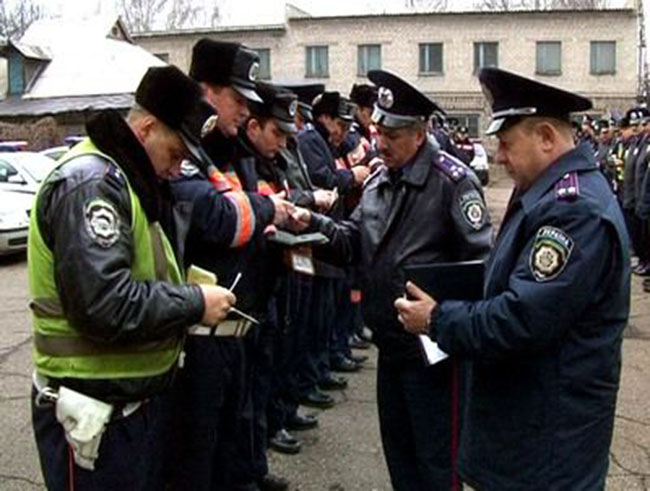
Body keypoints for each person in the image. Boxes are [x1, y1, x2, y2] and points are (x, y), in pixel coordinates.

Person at [396, 67, 631, 490]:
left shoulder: (574, 210)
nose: (499, 156)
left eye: (506, 143)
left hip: (547, 442)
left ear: (546, 137)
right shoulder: (547, 192)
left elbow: (522, 319)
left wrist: (436, 319)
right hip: (530, 426)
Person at [28, 65, 237, 490]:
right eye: (175, 154)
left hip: (124, 409)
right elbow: (104, 304)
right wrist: (195, 302)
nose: (177, 169)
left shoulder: (129, 181)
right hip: (92, 414)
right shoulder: (92, 183)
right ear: (146, 129)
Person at [289, 69, 493, 490]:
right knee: (401, 460)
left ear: (419, 134)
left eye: (392, 135)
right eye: (378, 132)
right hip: (390, 344)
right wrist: (313, 222)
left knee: (438, 467)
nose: (380, 143)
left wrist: (446, 322)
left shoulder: (452, 183)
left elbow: (480, 267)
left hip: (433, 354)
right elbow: (354, 241)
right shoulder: (380, 180)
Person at [170, 39, 293, 491]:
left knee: (232, 432)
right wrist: (267, 210)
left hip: (238, 316)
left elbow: (241, 210)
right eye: (237, 99)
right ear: (206, 91)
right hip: (200, 330)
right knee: (199, 452)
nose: (245, 111)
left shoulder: (227, 147)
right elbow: (219, 219)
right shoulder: (187, 149)